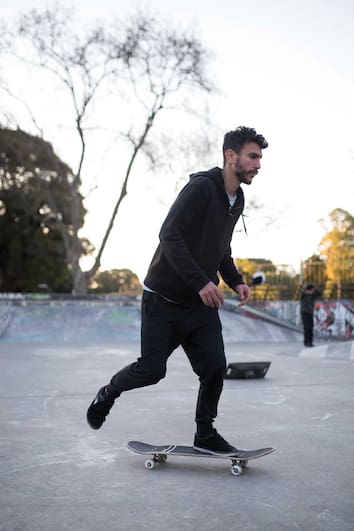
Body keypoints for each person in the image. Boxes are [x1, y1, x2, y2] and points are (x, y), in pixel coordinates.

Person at [86, 126, 269, 455]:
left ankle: (205, 432)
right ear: (231, 156)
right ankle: (107, 393)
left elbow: (221, 248)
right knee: (152, 371)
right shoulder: (200, 188)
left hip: (199, 307)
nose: (258, 165)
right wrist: (200, 281)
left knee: (214, 365)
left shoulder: (236, 199)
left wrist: (236, 279)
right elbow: (169, 235)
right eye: (253, 156)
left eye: (259, 158)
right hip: (164, 300)